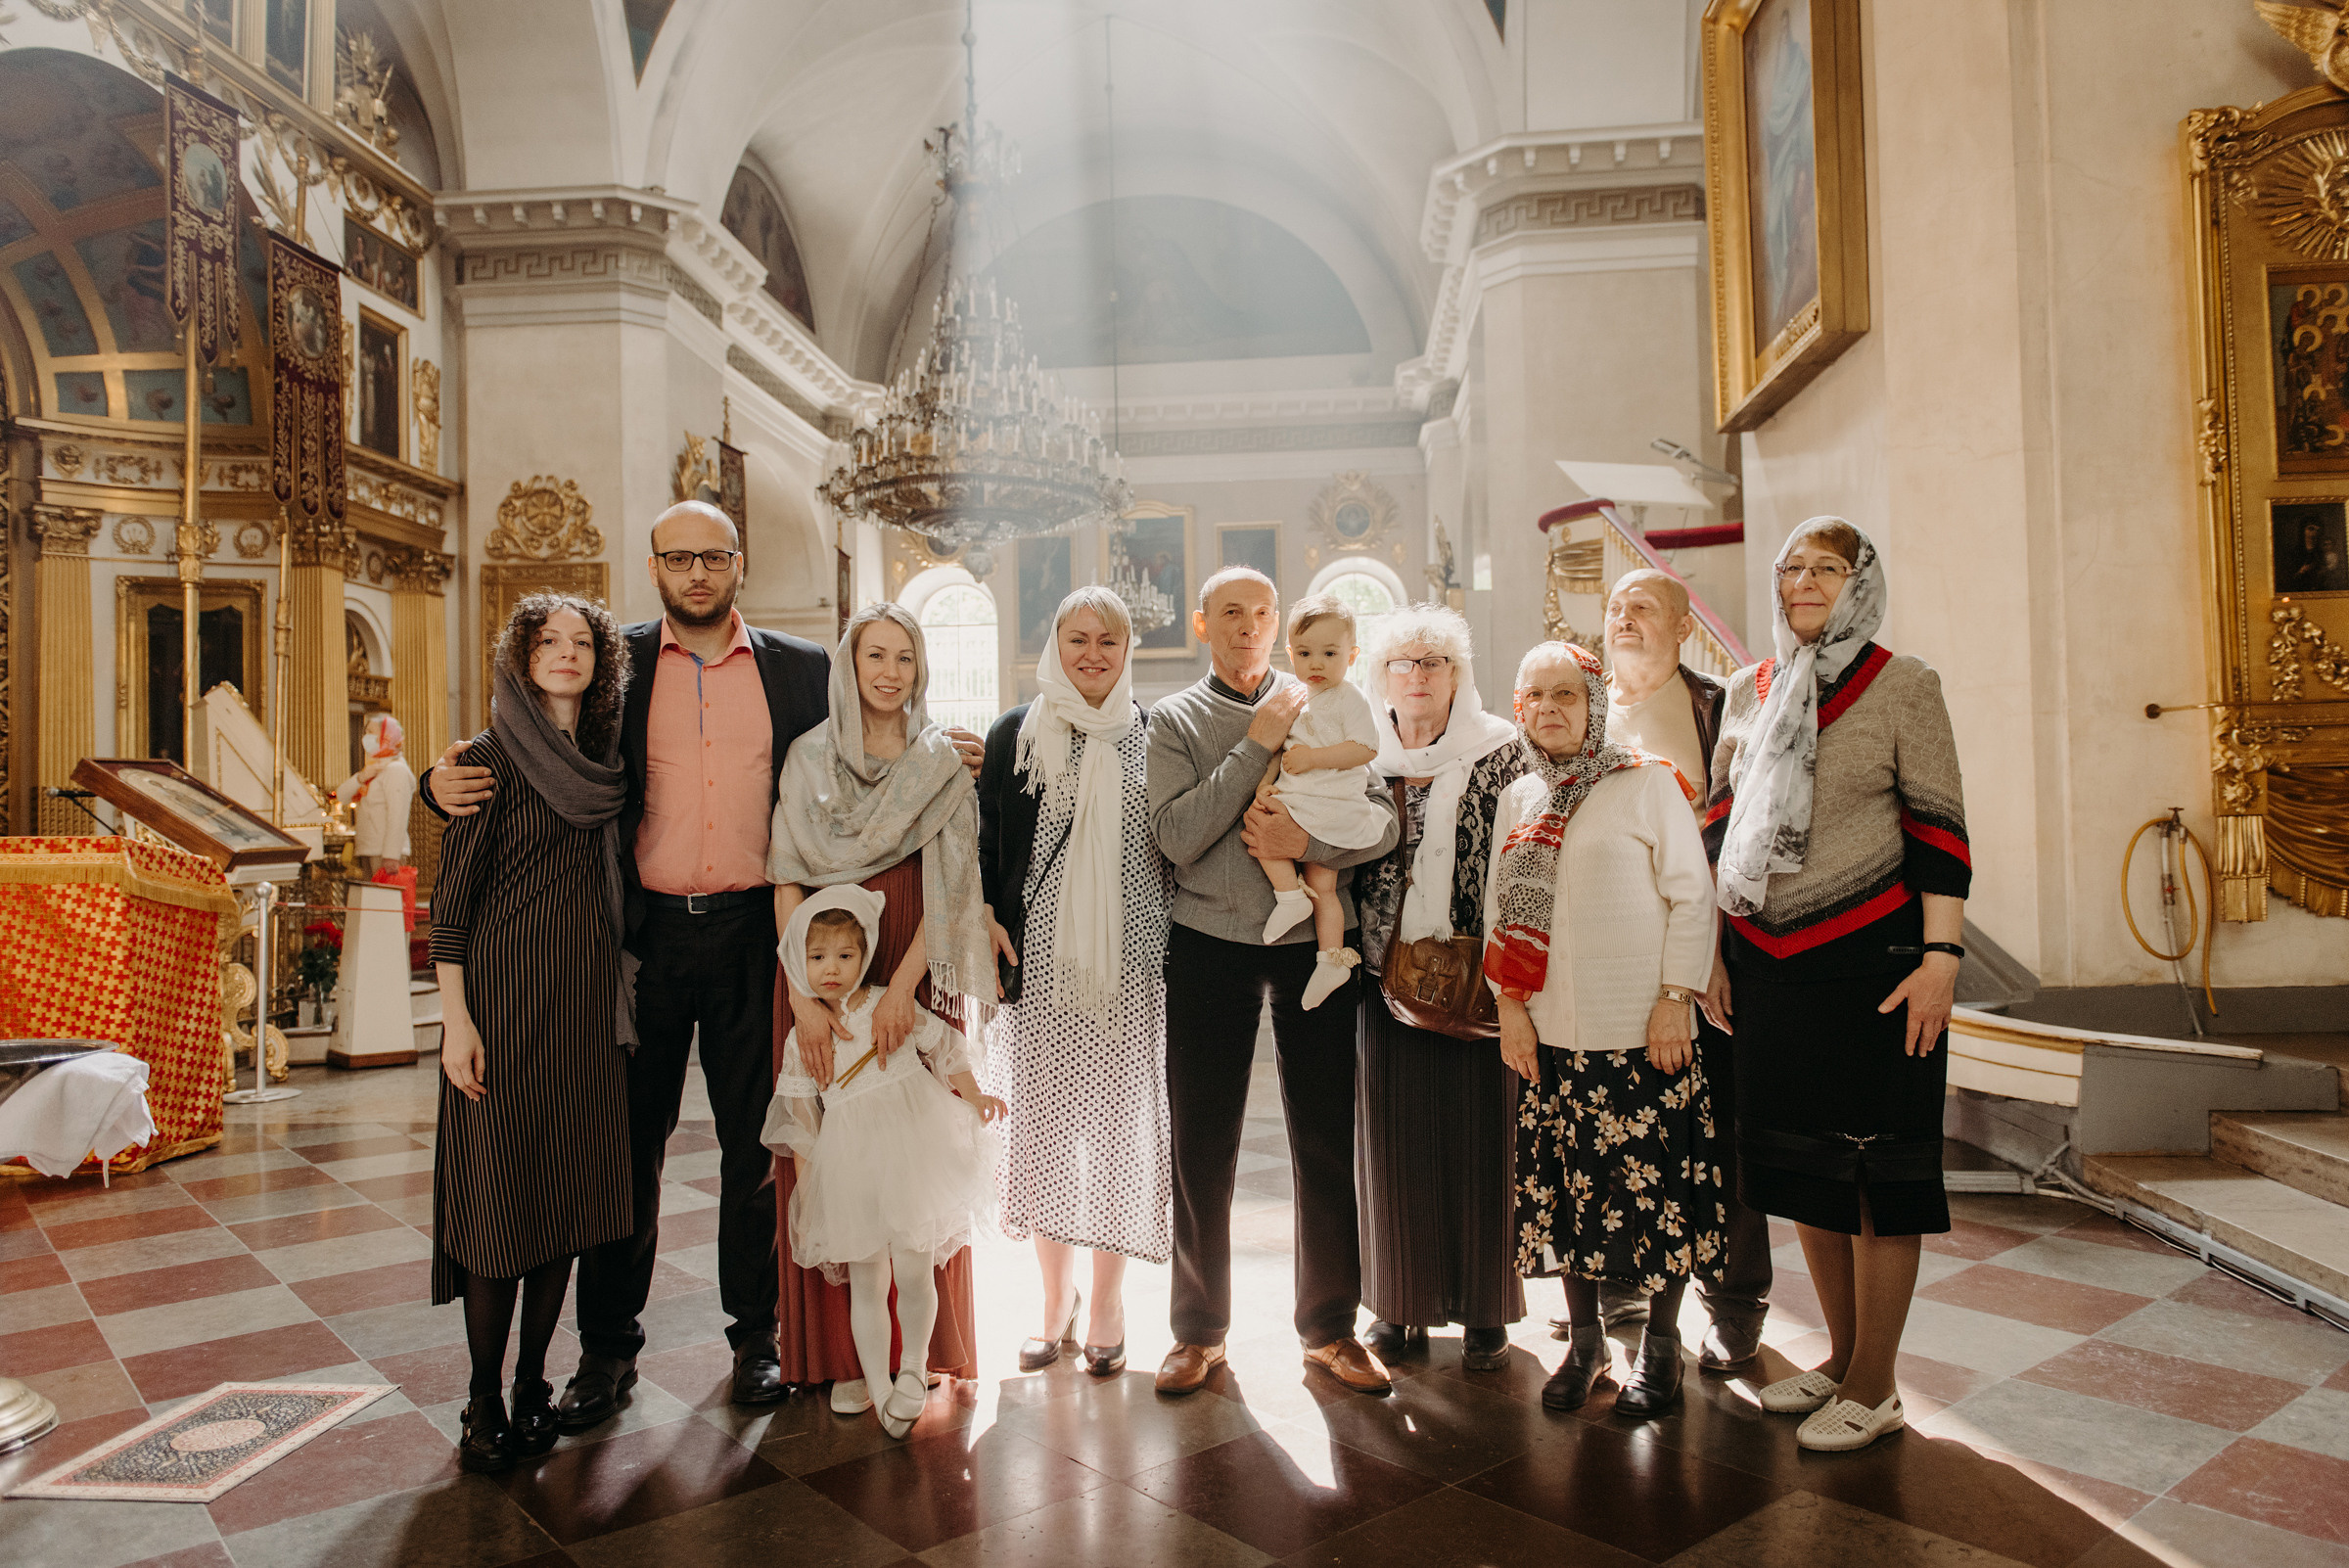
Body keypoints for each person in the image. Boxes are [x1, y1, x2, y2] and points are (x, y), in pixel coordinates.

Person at [422, 501, 986, 1427]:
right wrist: (439, 786)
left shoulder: (802, 670)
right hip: (636, 937)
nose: (696, 572)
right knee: (624, 1149)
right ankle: (607, 1352)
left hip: (752, 933)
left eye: (713, 557)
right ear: (654, 569)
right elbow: (532, 741)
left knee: (752, 1146)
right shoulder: (618, 666)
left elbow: (874, 741)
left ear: (737, 565)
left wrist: (955, 749)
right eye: (678, 557)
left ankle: (755, 1338)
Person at [1705, 516, 1970, 1453]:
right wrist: (1713, 957)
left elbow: (1940, 833)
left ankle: (1877, 1381)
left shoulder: (1906, 684)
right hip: (1767, 968)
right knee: (1804, 1167)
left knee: (1875, 1172)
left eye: (1827, 568)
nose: (1805, 583)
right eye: (1792, 569)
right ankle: (1838, 1361)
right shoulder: (1751, 688)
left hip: (1876, 967)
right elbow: (1721, 836)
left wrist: (1943, 960)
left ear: (1860, 580)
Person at [1147, 567, 1400, 1399]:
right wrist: (1257, 743)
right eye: (1231, 613)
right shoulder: (1178, 718)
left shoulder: (1323, 697)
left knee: (1325, 1133)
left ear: (1280, 623)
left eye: (1262, 613)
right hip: (1209, 939)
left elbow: (1381, 824)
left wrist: (1309, 841)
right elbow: (1178, 837)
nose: (1249, 626)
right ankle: (1198, 1332)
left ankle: (1330, 1328)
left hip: (1310, 945)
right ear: (1201, 623)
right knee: (1202, 1142)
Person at [767, 602, 998, 1409]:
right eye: (876, 656)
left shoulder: (943, 758)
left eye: (906, 657)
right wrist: (802, 994)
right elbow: (788, 877)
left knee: (913, 1164)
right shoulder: (807, 758)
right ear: (850, 665)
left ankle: (922, 1357)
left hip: (914, 950)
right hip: (819, 966)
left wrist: (906, 985)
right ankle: (843, 1361)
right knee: (836, 1160)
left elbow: (957, 878)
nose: (891, 672)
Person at [1485, 640, 1725, 1417]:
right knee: (1567, 1194)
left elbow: (1693, 897)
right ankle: (1584, 1345)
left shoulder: (1644, 783)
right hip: (1552, 1035)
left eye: (1566, 694)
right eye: (1534, 696)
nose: (1548, 709)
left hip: (1642, 1031)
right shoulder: (1520, 797)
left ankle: (1661, 1350)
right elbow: (1498, 914)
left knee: (1656, 1197)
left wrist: (1674, 997)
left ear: (1594, 703)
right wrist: (1512, 1011)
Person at [427, 594, 635, 1472]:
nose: (565, 654)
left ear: (600, 663)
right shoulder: (486, 761)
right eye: (547, 642)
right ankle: (481, 1395)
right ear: (520, 656)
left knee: (567, 1203)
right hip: (505, 1009)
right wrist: (455, 1019)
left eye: (581, 643)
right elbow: (451, 902)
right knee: (497, 1205)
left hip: (586, 1013)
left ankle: (531, 1385)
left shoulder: (605, 761)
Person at [1565, 568, 1773, 1372]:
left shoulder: (1721, 707)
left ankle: (1735, 1299)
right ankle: (1618, 1286)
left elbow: (1745, 841)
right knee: (1610, 1127)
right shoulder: (1579, 704)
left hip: (1705, 957)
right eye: (1615, 609)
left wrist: (1716, 954)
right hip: (1605, 964)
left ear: (1683, 626)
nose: (1624, 620)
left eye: (1643, 609)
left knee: (1718, 1134)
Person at [978, 586, 1172, 1378]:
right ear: (1054, 645)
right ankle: (1052, 1302)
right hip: (1040, 967)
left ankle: (1107, 1304)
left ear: (1129, 652)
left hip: (1130, 966)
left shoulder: (1156, 735)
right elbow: (988, 843)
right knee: (1047, 1133)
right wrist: (988, 920)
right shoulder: (1014, 734)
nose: (1093, 654)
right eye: (1078, 638)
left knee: (1118, 1130)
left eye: (1109, 641)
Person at [1351, 604, 1531, 1373]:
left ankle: (1487, 1310)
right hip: (1382, 978)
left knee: (1485, 1143)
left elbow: (1528, 860)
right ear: (1380, 678)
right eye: (1403, 663)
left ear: (1458, 675)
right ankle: (1400, 1306)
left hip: (1483, 980)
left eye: (1433, 662)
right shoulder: (1362, 758)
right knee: (1396, 1148)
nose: (1418, 676)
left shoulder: (1504, 753)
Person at [762, 888, 1005, 1438]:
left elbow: (942, 1044)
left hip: (912, 1147)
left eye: (845, 956)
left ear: (865, 954)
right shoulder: (805, 1039)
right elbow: (801, 1122)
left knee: (916, 1268)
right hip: (852, 1165)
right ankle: (878, 1388)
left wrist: (973, 1094)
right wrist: (813, 1195)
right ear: (802, 964)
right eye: (818, 958)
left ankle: (915, 1371)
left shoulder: (884, 1005)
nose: (831, 969)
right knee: (868, 1281)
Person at [1254, 594, 1389, 1010]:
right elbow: (1276, 748)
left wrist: (1313, 759)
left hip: (1332, 802)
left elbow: (1366, 748)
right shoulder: (1294, 696)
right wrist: (1264, 783)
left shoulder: (1350, 698)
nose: (1317, 664)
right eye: (1306, 653)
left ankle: (1328, 955)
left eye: (1330, 654)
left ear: (1351, 656)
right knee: (1258, 824)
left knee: (1323, 886)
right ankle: (1293, 904)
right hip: (1298, 797)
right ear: (1290, 654)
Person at [337, 712, 416, 871]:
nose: (366, 737)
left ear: (387, 736)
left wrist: (391, 855)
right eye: (365, 732)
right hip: (368, 848)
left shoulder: (396, 769)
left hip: (385, 853)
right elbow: (342, 796)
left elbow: (398, 816)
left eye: (371, 732)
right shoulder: (374, 768)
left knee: (385, 896)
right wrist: (361, 777)